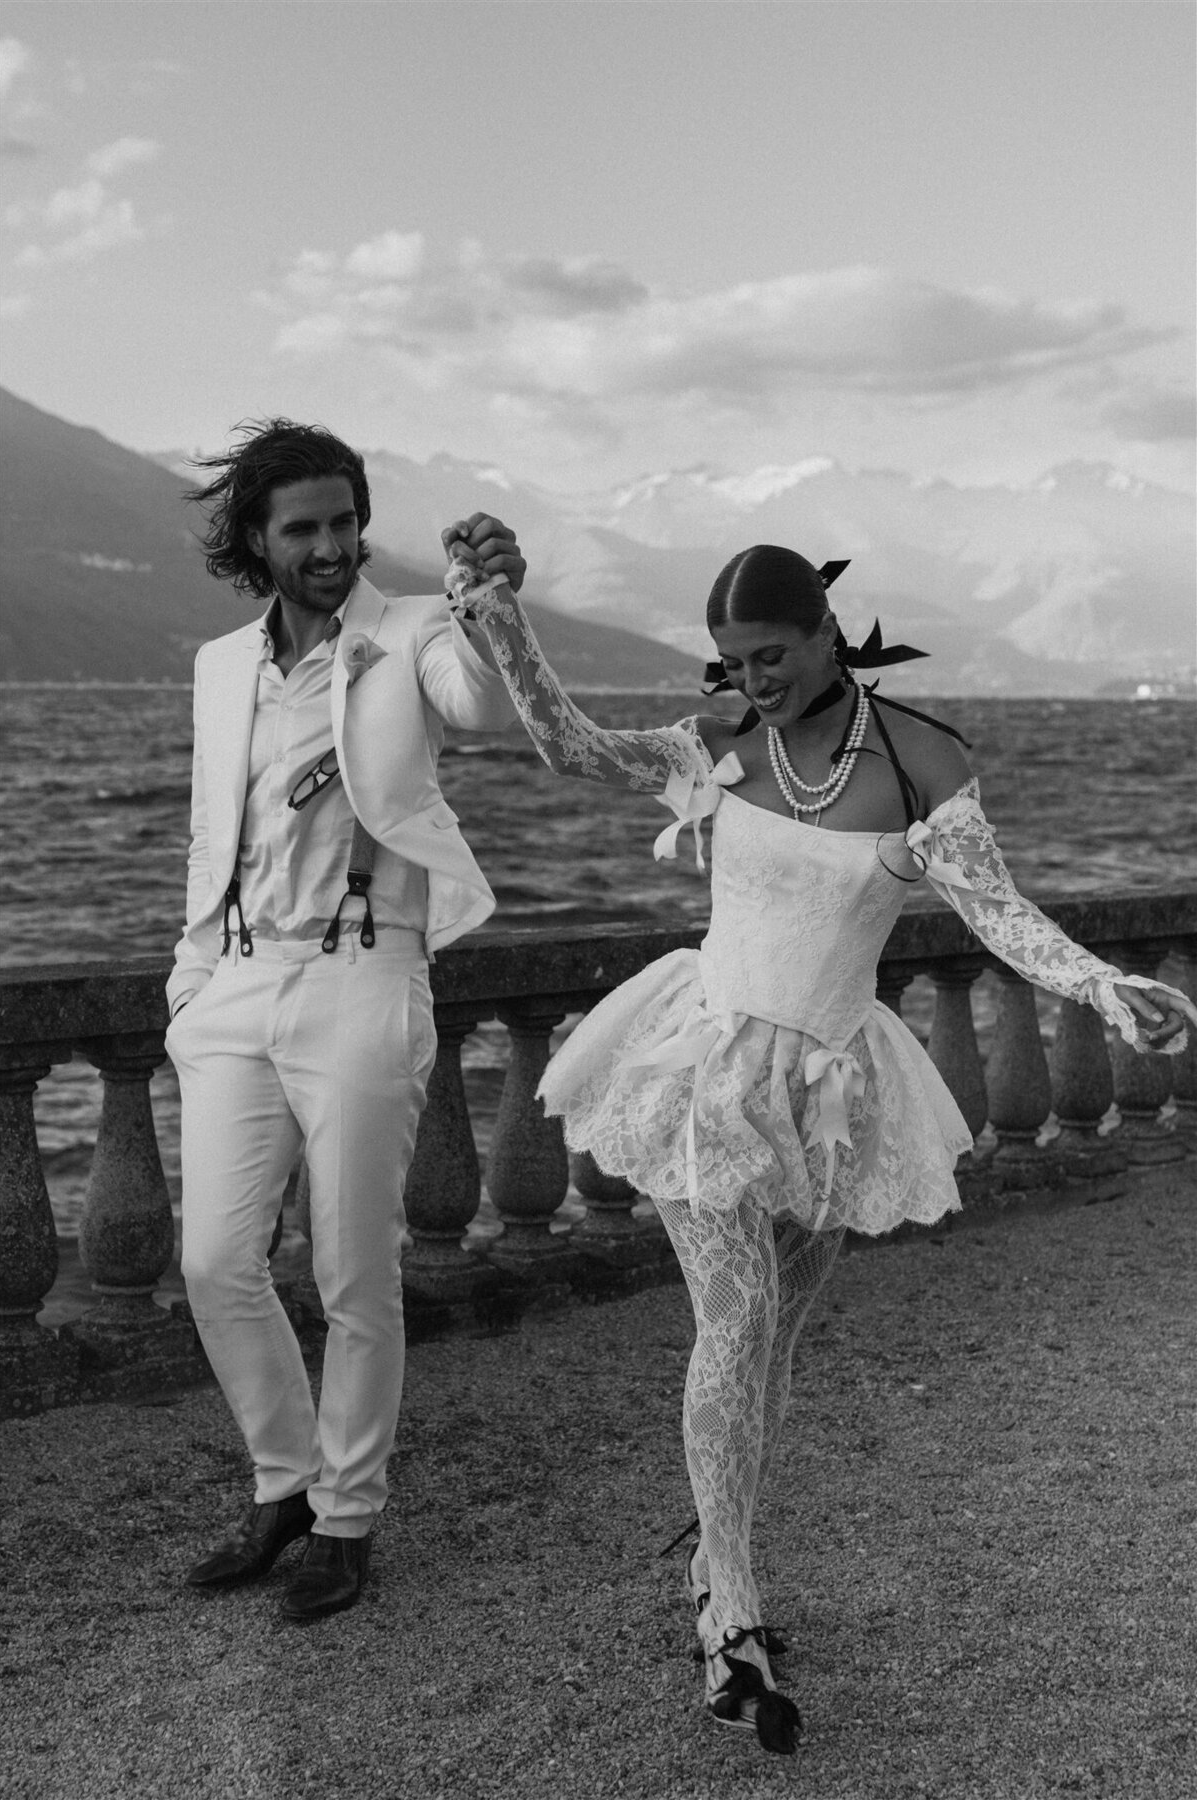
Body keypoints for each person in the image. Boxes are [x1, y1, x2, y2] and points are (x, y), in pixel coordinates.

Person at [440, 526, 1195, 1752]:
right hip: (704, 1062)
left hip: (830, 1092)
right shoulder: (727, 741)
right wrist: (500, 618)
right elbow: (576, 748)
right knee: (732, 1322)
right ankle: (729, 1614)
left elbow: (1001, 917)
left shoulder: (920, 760)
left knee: (773, 1338)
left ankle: (714, 1553)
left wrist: (1109, 990)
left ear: (827, 632)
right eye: (732, 662)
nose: (753, 682)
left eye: (772, 655)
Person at [167, 423, 522, 1621]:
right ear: (258, 542)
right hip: (233, 983)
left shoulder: (413, 629)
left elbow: (475, 704)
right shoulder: (222, 666)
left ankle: (348, 1516)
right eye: (301, 529)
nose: (328, 547)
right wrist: (189, 982)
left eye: (342, 523)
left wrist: (489, 604)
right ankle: (283, 1481)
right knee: (216, 1260)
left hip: (365, 976)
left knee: (352, 1267)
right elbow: (216, 833)